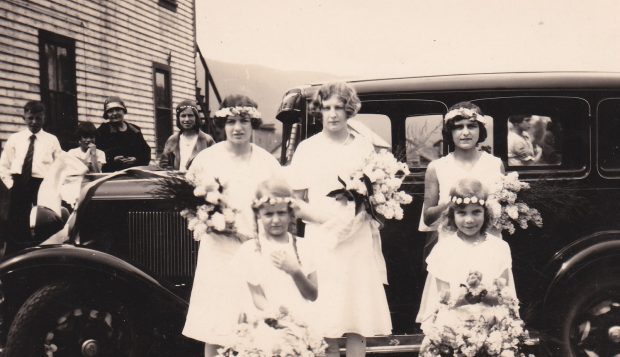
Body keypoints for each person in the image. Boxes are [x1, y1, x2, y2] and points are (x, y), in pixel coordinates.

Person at [288, 82, 391, 357]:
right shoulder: (307, 149)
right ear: (319, 111)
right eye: (326, 108)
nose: (332, 114)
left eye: (339, 108)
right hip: (322, 239)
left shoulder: (363, 147)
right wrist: (328, 220)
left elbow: (374, 196)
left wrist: (352, 221)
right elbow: (295, 201)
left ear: (349, 111)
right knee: (327, 320)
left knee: (357, 318)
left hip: (356, 238)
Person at [182, 94, 280, 357]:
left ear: (253, 124)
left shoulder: (267, 162)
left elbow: (281, 207)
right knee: (215, 326)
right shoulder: (207, 159)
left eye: (244, 121)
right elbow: (188, 203)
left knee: (255, 321)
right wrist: (209, 221)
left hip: (255, 249)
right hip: (218, 251)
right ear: (222, 124)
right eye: (231, 121)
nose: (237, 128)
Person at [416, 101, 505, 323]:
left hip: (487, 245)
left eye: (471, 126)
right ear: (450, 131)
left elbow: (503, 210)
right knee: (452, 311)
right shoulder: (437, 167)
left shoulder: (494, 164)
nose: (465, 132)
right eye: (458, 127)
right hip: (451, 247)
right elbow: (428, 216)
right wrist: (451, 204)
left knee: (489, 311)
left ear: (480, 130)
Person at [418, 178, 517, 324]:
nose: (469, 220)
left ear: (486, 213)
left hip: (491, 321)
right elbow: (443, 300)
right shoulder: (443, 249)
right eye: (462, 213)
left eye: (476, 212)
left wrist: (481, 292)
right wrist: (467, 295)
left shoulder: (499, 247)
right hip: (453, 322)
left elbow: (502, 297)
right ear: (452, 215)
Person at [234, 176, 317, 322]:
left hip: (301, 324)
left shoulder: (306, 247)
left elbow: (312, 295)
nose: (276, 220)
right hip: (267, 325)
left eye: (281, 213)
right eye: (269, 214)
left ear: (291, 213)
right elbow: (257, 295)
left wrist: (295, 271)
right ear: (258, 214)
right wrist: (276, 316)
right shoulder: (250, 250)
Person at [0, 100, 62, 251]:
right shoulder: (15, 139)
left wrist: (52, 185)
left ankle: (43, 252)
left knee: (43, 219)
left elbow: (59, 165)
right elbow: (4, 164)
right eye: (30, 118)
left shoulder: (51, 140)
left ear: (44, 118)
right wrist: (11, 184)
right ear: (24, 117)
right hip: (19, 183)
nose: (34, 122)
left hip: (42, 184)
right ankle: (17, 255)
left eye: (38, 118)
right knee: (17, 220)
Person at [96, 96, 151, 172]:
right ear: (106, 114)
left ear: (124, 111)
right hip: (110, 174)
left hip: (133, 173)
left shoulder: (135, 130)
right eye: (110, 111)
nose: (114, 113)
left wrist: (136, 159)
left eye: (118, 110)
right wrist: (112, 159)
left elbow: (145, 152)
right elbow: (96, 154)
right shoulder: (102, 131)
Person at [159, 100, 215, 171]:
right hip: (176, 181)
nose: (187, 119)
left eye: (190, 115)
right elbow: (163, 166)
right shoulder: (172, 140)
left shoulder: (207, 140)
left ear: (196, 117)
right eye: (183, 116)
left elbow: (216, 164)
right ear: (178, 118)